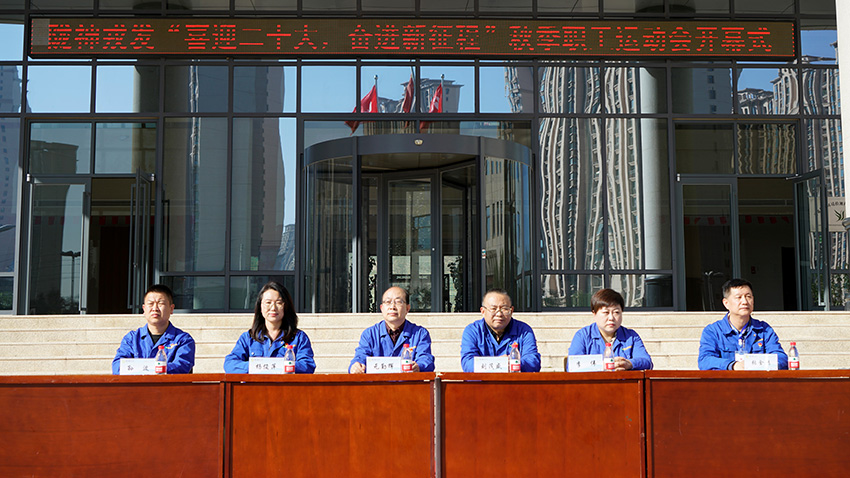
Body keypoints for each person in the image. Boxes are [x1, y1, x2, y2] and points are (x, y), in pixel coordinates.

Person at [224, 281, 316, 374]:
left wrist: (277, 366)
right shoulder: (248, 338)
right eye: (268, 302)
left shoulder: (299, 338)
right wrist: (258, 366)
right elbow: (230, 364)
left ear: (286, 306)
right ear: (260, 306)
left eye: (279, 303)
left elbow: (307, 366)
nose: (273, 308)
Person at [698, 278, 788, 370]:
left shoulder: (764, 329)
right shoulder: (713, 331)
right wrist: (732, 365)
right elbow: (705, 360)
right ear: (726, 303)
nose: (745, 302)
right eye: (739, 297)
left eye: (748, 297)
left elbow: (781, 358)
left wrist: (756, 364)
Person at [112, 284, 195, 374]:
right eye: (150, 304)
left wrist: (145, 369)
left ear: (171, 309)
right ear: (144, 309)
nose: (155, 308)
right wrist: (154, 368)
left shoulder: (183, 340)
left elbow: (182, 366)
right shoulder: (131, 339)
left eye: (160, 303)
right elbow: (118, 366)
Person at [349, 286, 435, 373]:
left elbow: (426, 359)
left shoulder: (420, 334)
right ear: (382, 308)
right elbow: (360, 356)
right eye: (388, 302)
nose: (392, 307)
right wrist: (356, 365)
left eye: (398, 302)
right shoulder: (369, 334)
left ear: (407, 308)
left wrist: (419, 366)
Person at [567, 288, 652, 371]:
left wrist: (629, 363)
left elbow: (647, 362)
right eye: (606, 312)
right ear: (594, 314)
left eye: (616, 312)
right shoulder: (583, 336)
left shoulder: (631, 336)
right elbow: (572, 365)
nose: (611, 318)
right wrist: (600, 365)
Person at [460, 288, 541, 372]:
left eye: (504, 309)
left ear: (511, 311)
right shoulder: (472, 331)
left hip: (513, 380)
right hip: (483, 380)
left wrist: (514, 364)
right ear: (483, 311)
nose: (499, 314)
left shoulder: (524, 331)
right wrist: (500, 363)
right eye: (493, 309)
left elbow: (533, 362)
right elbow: (468, 364)